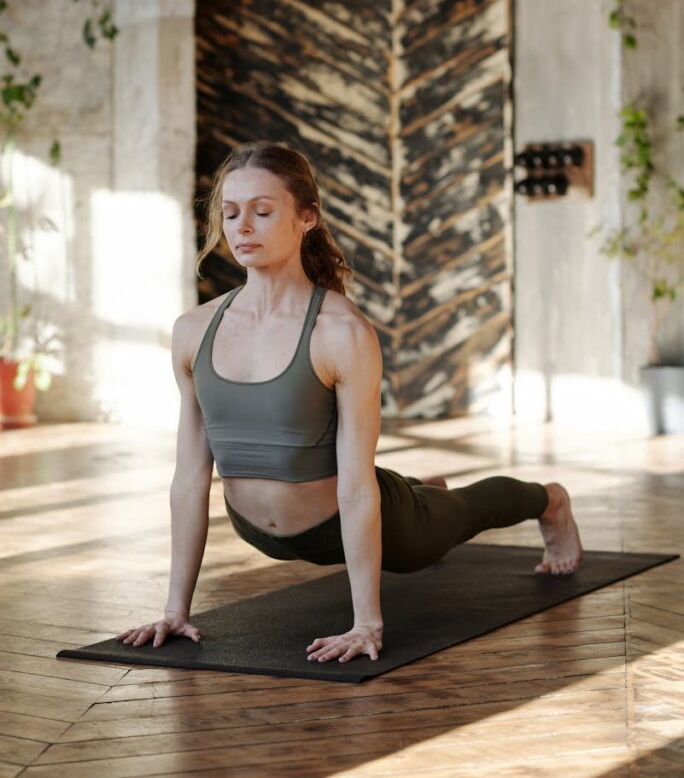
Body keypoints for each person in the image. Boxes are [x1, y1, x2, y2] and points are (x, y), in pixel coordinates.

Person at [116, 141, 582, 665]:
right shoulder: (193, 331)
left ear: (307, 217)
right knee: (414, 495)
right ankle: (420, 488)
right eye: (230, 212)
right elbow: (189, 476)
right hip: (256, 530)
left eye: (263, 211)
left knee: (458, 514)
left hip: (350, 518)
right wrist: (175, 610)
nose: (242, 225)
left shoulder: (341, 332)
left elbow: (357, 487)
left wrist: (367, 623)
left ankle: (550, 500)